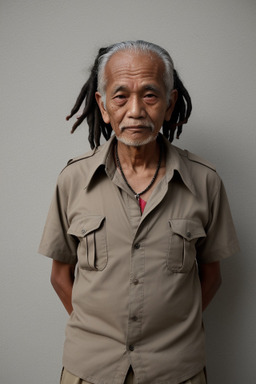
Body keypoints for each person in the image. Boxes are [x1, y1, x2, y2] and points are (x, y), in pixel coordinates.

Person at [38, 40, 240, 384]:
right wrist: (102, 334)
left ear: (170, 104)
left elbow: (212, 276)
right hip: (90, 371)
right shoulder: (73, 180)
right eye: (120, 96)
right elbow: (60, 277)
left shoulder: (205, 182)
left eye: (150, 95)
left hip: (178, 372)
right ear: (102, 106)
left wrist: (169, 334)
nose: (135, 111)